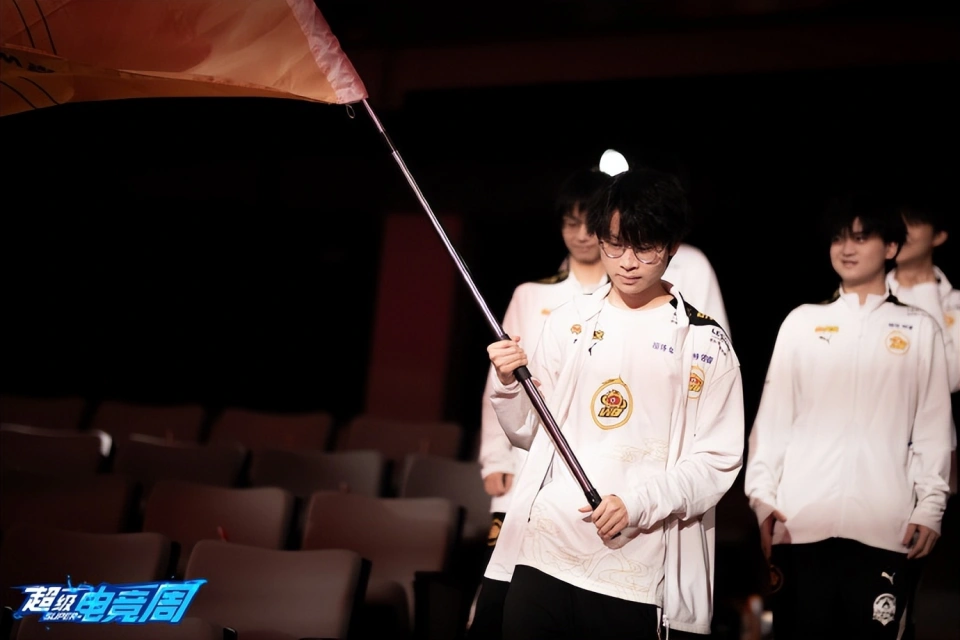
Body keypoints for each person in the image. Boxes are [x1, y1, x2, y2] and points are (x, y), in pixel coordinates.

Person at [484, 167, 745, 639]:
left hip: (636, 571)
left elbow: (717, 461)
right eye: (615, 245)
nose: (627, 262)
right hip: (545, 553)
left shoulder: (705, 343)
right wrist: (507, 384)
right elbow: (530, 432)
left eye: (644, 247)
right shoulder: (568, 321)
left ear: (672, 245)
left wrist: (637, 505)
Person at [743, 191, 953, 640]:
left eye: (861, 238)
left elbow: (933, 429)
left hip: (886, 530)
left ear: (891, 247)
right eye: (839, 238)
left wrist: (931, 507)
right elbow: (772, 424)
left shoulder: (920, 328)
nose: (846, 248)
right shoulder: (801, 322)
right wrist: (762, 500)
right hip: (799, 527)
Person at [469, 167, 611, 639]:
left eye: (590, 222)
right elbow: (501, 376)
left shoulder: (622, 302)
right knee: (500, 595)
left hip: (593, 470)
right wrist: (494, 456)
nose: (581, 234)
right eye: (570, 222)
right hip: (525, 459)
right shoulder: (532, 295)